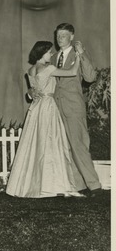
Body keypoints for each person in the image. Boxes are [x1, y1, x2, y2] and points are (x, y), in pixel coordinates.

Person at [6, 41, 85, 198]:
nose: (51, 54)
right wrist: (78, 54)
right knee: (53, 143)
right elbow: (72, 71)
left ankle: (35, 185)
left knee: (36, 146)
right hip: (48, 106)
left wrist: (30, 92)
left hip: (36, 109)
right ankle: (59, 185)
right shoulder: (49, 68)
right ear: (42, 53)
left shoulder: (30, 70)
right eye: (49, 52)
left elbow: (32, 91)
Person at [50, 23, 102, 197]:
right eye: (58, 35)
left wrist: (82, 53)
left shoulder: (77, 54)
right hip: (55, 107)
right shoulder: (52, 57)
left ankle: (94, 186)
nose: (60, 38)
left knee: (79, 145)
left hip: (73, 106)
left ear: (72, 37)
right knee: (66, 147)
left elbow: (90, 77)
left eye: (64, 35)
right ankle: (78, 186)